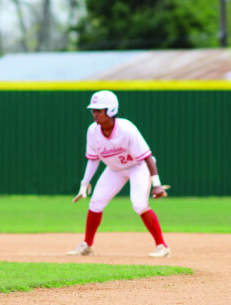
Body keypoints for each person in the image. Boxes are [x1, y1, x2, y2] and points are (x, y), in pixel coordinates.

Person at [68, 90, 171, 257]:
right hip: (115, 169)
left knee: (138, 203)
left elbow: (148, 158)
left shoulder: (126, 129)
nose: (95, 114)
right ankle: (87, 245)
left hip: (137, 166)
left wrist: (157, 184)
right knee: (95, 203)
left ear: (111, 110)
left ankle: (162, 246)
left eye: (99, 110)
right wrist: (84, 183)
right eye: (93, 110)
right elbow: (93, 159)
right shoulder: (92, 131)